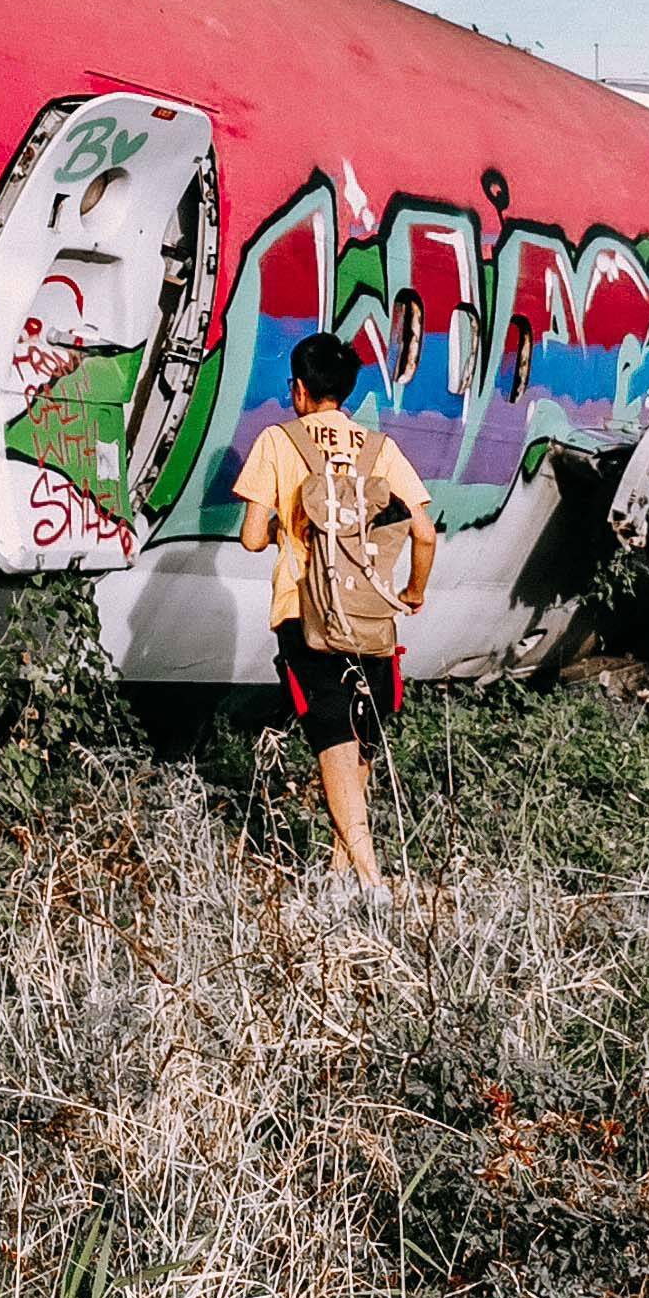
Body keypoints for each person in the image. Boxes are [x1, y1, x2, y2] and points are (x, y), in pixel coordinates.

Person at [234, 330, 436, 895]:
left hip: (305, 611)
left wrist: (285, 526)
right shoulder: (379, 448)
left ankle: (372, 883)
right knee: (361, 739)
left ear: (298, 390)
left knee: (333, 742)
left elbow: (253, 538)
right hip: (371, 615)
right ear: (346, 390)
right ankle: (339, 876)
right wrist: (414, 591)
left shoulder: (278, 442)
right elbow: (423, 531)